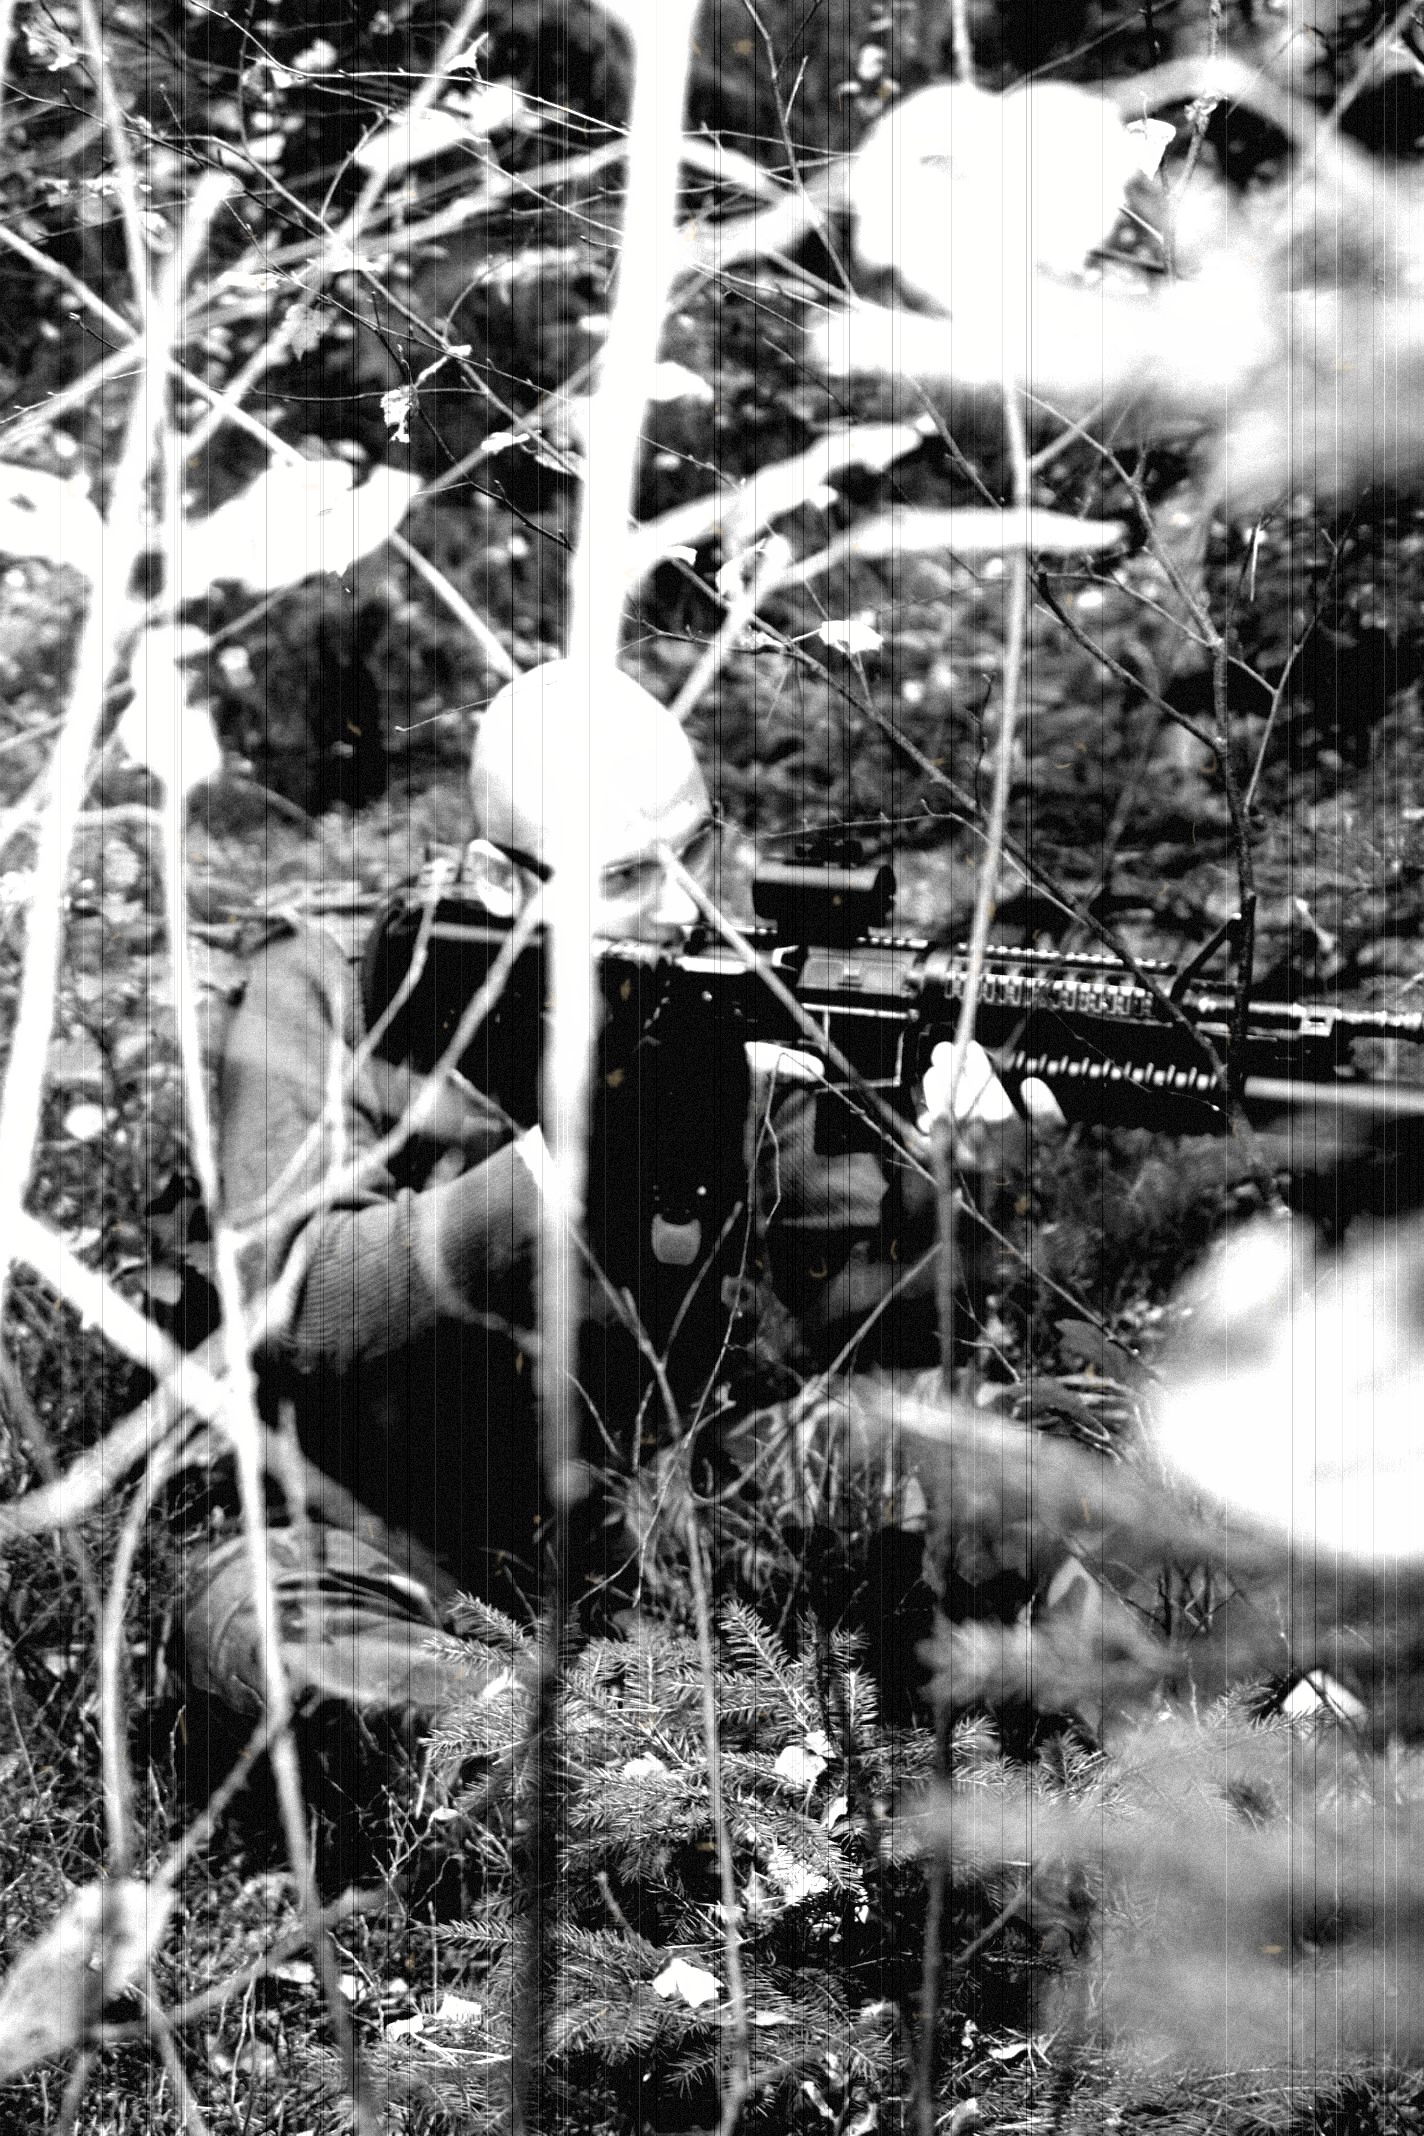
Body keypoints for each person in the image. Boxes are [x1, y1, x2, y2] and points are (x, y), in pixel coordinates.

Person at [182, 661, 963, 1725]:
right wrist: (569, 1157)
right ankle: (603, 1760)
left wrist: (937, 1162)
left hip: (651, 1525)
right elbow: (302, 1303)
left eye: (697, 852)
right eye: (626, 876)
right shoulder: (333, 987)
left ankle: (659, 1742)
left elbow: (858, 1309)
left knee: (982, 1455)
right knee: (254, 1619)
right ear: (498, 880)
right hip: (391, 1544)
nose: (681, 905)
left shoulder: (721, 998)